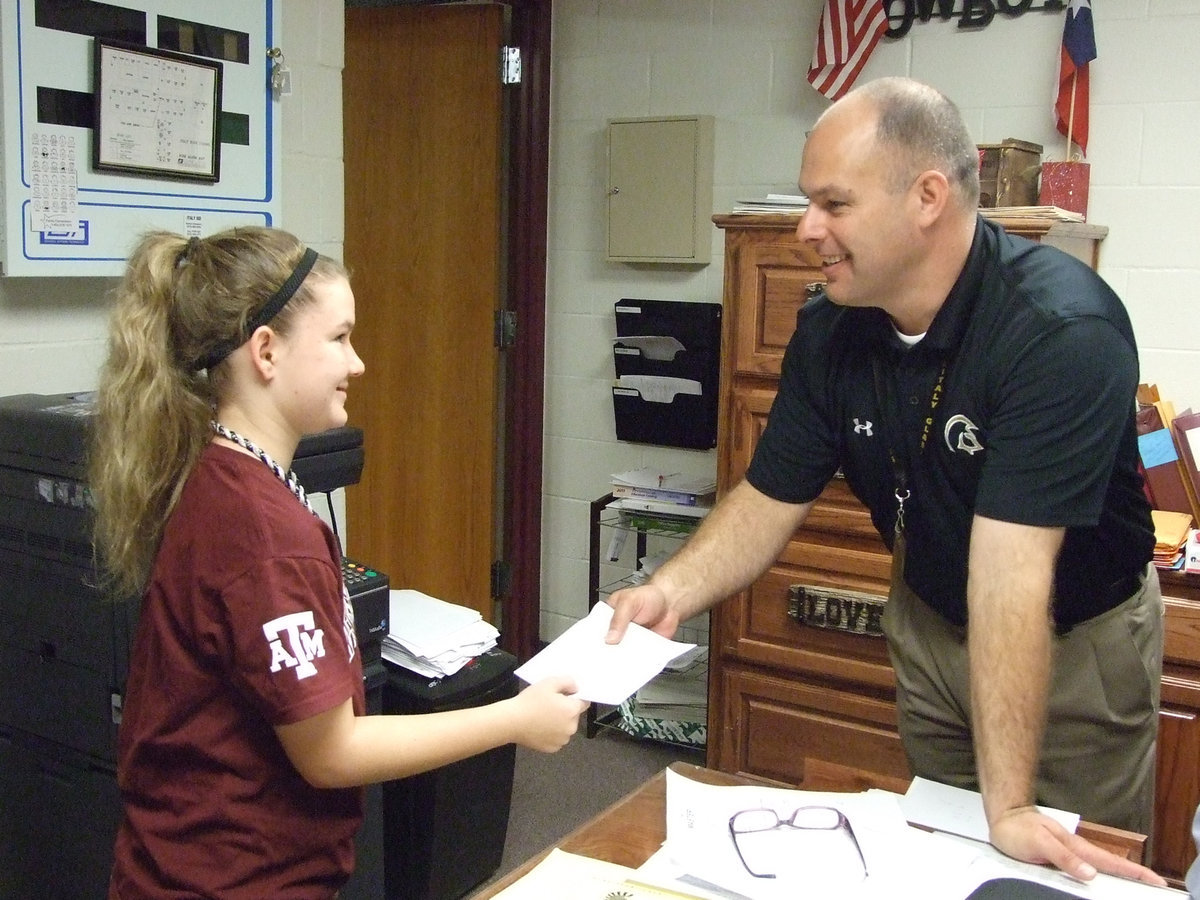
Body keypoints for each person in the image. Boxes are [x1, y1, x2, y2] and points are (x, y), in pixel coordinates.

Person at [607, 76, 1167, 886]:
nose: (806, 230)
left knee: (1062, 871)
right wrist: (672, 590)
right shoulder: (833, 325)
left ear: (927, 197)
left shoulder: (1059, 331)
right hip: (933, 620)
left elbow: (1013, 577)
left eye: (834, 205)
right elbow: (769, 496)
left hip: (1071, 638)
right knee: (941, 861)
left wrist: (1009, 808)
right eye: (807, 203)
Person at [90, 226, 588, 899]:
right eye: (339, 338)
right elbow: (331, 752)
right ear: (265, 351)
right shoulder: (263, 532)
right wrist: (514, 719)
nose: (357, 363)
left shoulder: (219, 476)